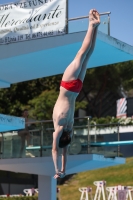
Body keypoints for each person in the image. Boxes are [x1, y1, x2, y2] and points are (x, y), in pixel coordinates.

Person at [52, 9, 100, 179]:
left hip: (77, 88)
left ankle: (95, 28)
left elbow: (64, 152)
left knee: (88, 55)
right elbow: (56, 150)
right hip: (67, 86)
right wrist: (57, 170)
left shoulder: (70, 128)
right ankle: (91, 25)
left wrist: (62, 171)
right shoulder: (59, 127)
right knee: (81, 53)